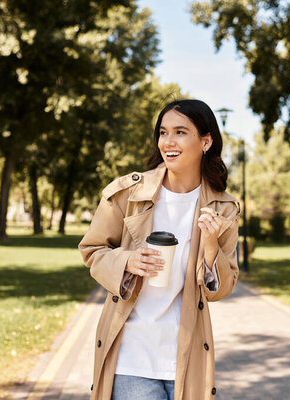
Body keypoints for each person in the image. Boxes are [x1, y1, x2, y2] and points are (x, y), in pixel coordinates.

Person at [78, 99, 241, 400]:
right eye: (163, 132)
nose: (168, 141)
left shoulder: (223, 208)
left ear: (206, 141)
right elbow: (93, 249)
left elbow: (223, 287)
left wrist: (210, 246)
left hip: (187, 358)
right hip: (131, 356)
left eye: (180, 132)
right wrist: (127, 261)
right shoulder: (128, 193)